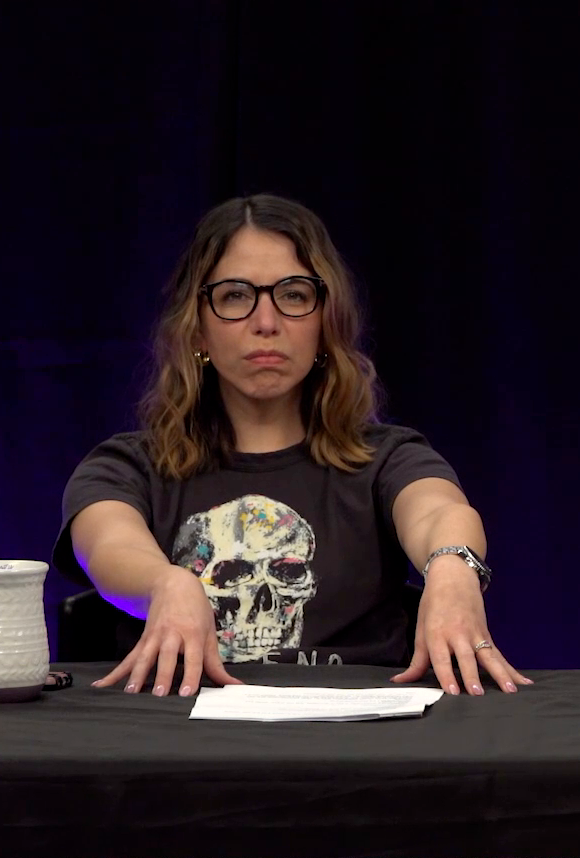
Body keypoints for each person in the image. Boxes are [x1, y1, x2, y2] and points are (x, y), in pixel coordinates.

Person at [53, 194, 529, 697]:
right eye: (235, 296)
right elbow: (110, 546)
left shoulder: (389, 458)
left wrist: (453, 567)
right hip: (178, 729)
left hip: (363, 731)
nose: (266, 321)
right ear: (197, 330)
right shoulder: (124, 467)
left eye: (294, 295)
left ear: (325, 324)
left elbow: (438, 511)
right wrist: (167, 584)